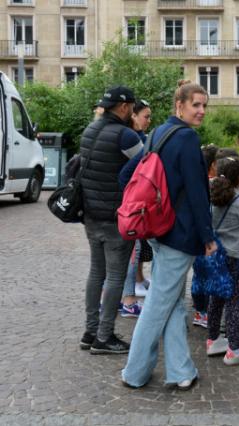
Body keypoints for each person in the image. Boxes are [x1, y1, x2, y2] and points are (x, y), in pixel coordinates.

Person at [120, 80, 216, 390]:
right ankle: (134, 372)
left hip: (157, 231)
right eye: (196, 105)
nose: (201, 111)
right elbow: (198, 192)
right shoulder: (186, 138)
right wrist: (207, 235)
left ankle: (180, 370)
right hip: (179, 234)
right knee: (160, 303)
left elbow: (127, 175)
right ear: (180, 105)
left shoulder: (158, 132)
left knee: (172, 301)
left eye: (204, 105)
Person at [79, 85, 143, 354]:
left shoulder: (89, 130)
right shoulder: (125, 136)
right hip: (117, 217)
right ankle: (104, 337)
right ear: (124, 107)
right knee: (116, 276)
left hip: (91, 215)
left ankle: (90, 331)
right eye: (131, 107)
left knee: (97, 272)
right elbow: (146, 165)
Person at [205, 157, 239, 366]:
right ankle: (234, 348)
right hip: (236, 256)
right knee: (234, 301)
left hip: (217, 255)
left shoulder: (212, 197)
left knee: (216, 298)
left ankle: (213, 339)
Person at [121, 99, 153, 318]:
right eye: (146, 116)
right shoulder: (130, 139)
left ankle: (124, 295)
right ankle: (129, 300)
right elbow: (127, 174)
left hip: (125, 204)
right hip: (129, 206)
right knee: (133, 251)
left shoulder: (134, 136)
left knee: (131, 251)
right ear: (133, 116)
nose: (148, 121)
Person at [190, 144, 219, 328]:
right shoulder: (214, 184)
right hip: (209, 235)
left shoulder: (197, 181)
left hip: (196, 235)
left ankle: (199, 311)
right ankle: (207, 311)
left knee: (198, 274)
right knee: (210, 274)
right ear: (214, 164)